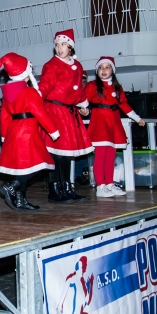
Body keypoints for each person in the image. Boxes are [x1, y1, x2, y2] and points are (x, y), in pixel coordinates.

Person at [0, 53, 59, 211]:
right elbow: (41, 113)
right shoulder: (29, 92)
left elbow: (4, 116)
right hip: (27, 131)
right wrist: (53, 131)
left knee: (23, 167)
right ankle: (12, 186)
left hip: (13, 131)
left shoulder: (8, 94)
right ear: (25, 73)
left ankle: (20, 200)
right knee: (40, 164)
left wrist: (4, 135)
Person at [39, 29, 93, 204]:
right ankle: (54, 189)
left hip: (69, 114)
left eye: (63, 44)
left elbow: (77, 90)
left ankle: (67, 188)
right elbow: (45, 87)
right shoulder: (51, 66)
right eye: (56, 44)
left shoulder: (77, 67)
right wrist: (35, 98)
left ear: (70, 46)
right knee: (56, 154)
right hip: (54, 112)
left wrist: (83, 106)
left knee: (68, 154)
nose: (59, 48)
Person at [85, 56, 145, 197]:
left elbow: (124, 105)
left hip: (113, 124)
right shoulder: (92, 86)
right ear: (97, 71)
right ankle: (101, 187)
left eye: (107, 67)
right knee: (100, 156)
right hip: (100, 124)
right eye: (100, 67)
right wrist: (83, 109)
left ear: (113, 70)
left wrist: (137, 118)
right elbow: (83, 100)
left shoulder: (117, 87)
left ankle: (109, 184)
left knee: (111, 157)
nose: (104, 70)